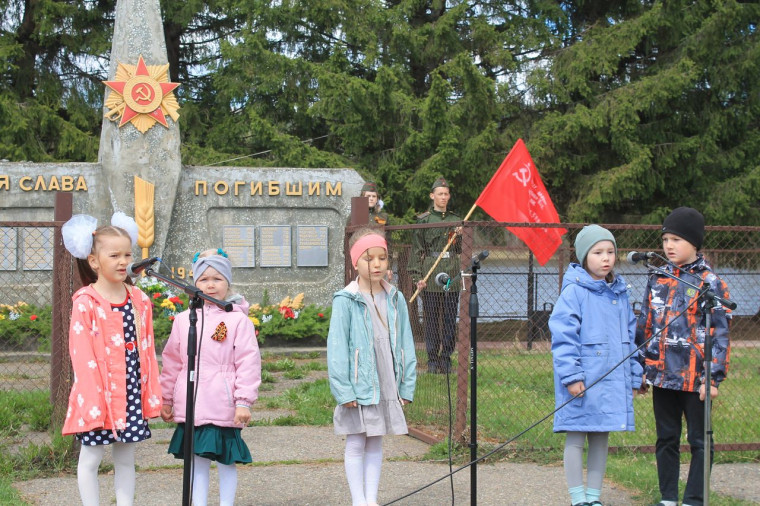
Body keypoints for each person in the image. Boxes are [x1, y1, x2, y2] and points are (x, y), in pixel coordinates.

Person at [60, 212, 162, 506]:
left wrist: (150, 393)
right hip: (100, 394)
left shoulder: (139, 299)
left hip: (129, 392)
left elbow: (148, 350)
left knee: (126, 457)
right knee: (90, 458)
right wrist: (92, 399)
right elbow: (80, 354)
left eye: (128, 254)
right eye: (114, 254)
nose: (123, 261)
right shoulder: (86, 302)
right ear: (94, 261)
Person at [636, 207, 732, 506]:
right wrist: (642, 366)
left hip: (696, 378)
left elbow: (720, 334)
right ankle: (667, 497)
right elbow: (646, 325)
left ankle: (693, 499)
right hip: (663, 375)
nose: (669, 246)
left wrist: (712, 378)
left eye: (676, 239)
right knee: (666, 438)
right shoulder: (658, 278)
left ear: (694, 242)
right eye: (665, 239)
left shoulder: (710, 282)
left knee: (700, 441)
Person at [549, 224, 643, 506]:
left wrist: (635, 376)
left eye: (611, 251)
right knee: (577, 438)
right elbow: (563, 338)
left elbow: (631, 338)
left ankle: (594, 497)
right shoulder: (574, 292)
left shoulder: (621, 294)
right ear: (583, 256)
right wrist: (572, 377)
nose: (606, 258)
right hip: (582, 382)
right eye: (598, 252)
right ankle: (578, 498)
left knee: (601, 438)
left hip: (610, 382)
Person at [160, 249, 261, 506]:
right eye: (204, 279)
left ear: (228, 282)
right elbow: (173, 361)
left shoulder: (238, 321)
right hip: (191, 404)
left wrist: (243, 401)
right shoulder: (184, 320)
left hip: (222, 405)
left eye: (217, 279)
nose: (210, 285)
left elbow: (248, 363)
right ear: (194, 284)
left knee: (226, 461)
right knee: (197, 462)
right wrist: (167, 398)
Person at [327, 227, 417, 506]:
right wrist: (344, 390)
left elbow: (406, 343)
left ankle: (371, 500)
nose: (377, 264)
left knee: (376, 440)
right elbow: (337, 348)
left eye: (382, 257)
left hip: (386, 378)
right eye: (369, 259)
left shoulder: (396, 298)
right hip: (359, 381)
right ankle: (358, 501)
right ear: (356, 262)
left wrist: (406, 384)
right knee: (356, 441)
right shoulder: (345, 300)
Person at [409, 176, 462, 373]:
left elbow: (461, 249)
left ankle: (446, 358)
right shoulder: (424, 220)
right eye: (440, 194)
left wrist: (461, 234)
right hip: (430, 272)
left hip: (451, 272)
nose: (443, 197)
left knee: (449, 317)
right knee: (431, 317)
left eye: (446, 194)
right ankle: (432, 359)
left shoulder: (456, 221)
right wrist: (417, 277)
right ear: (432, 196)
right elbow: (416, 250)